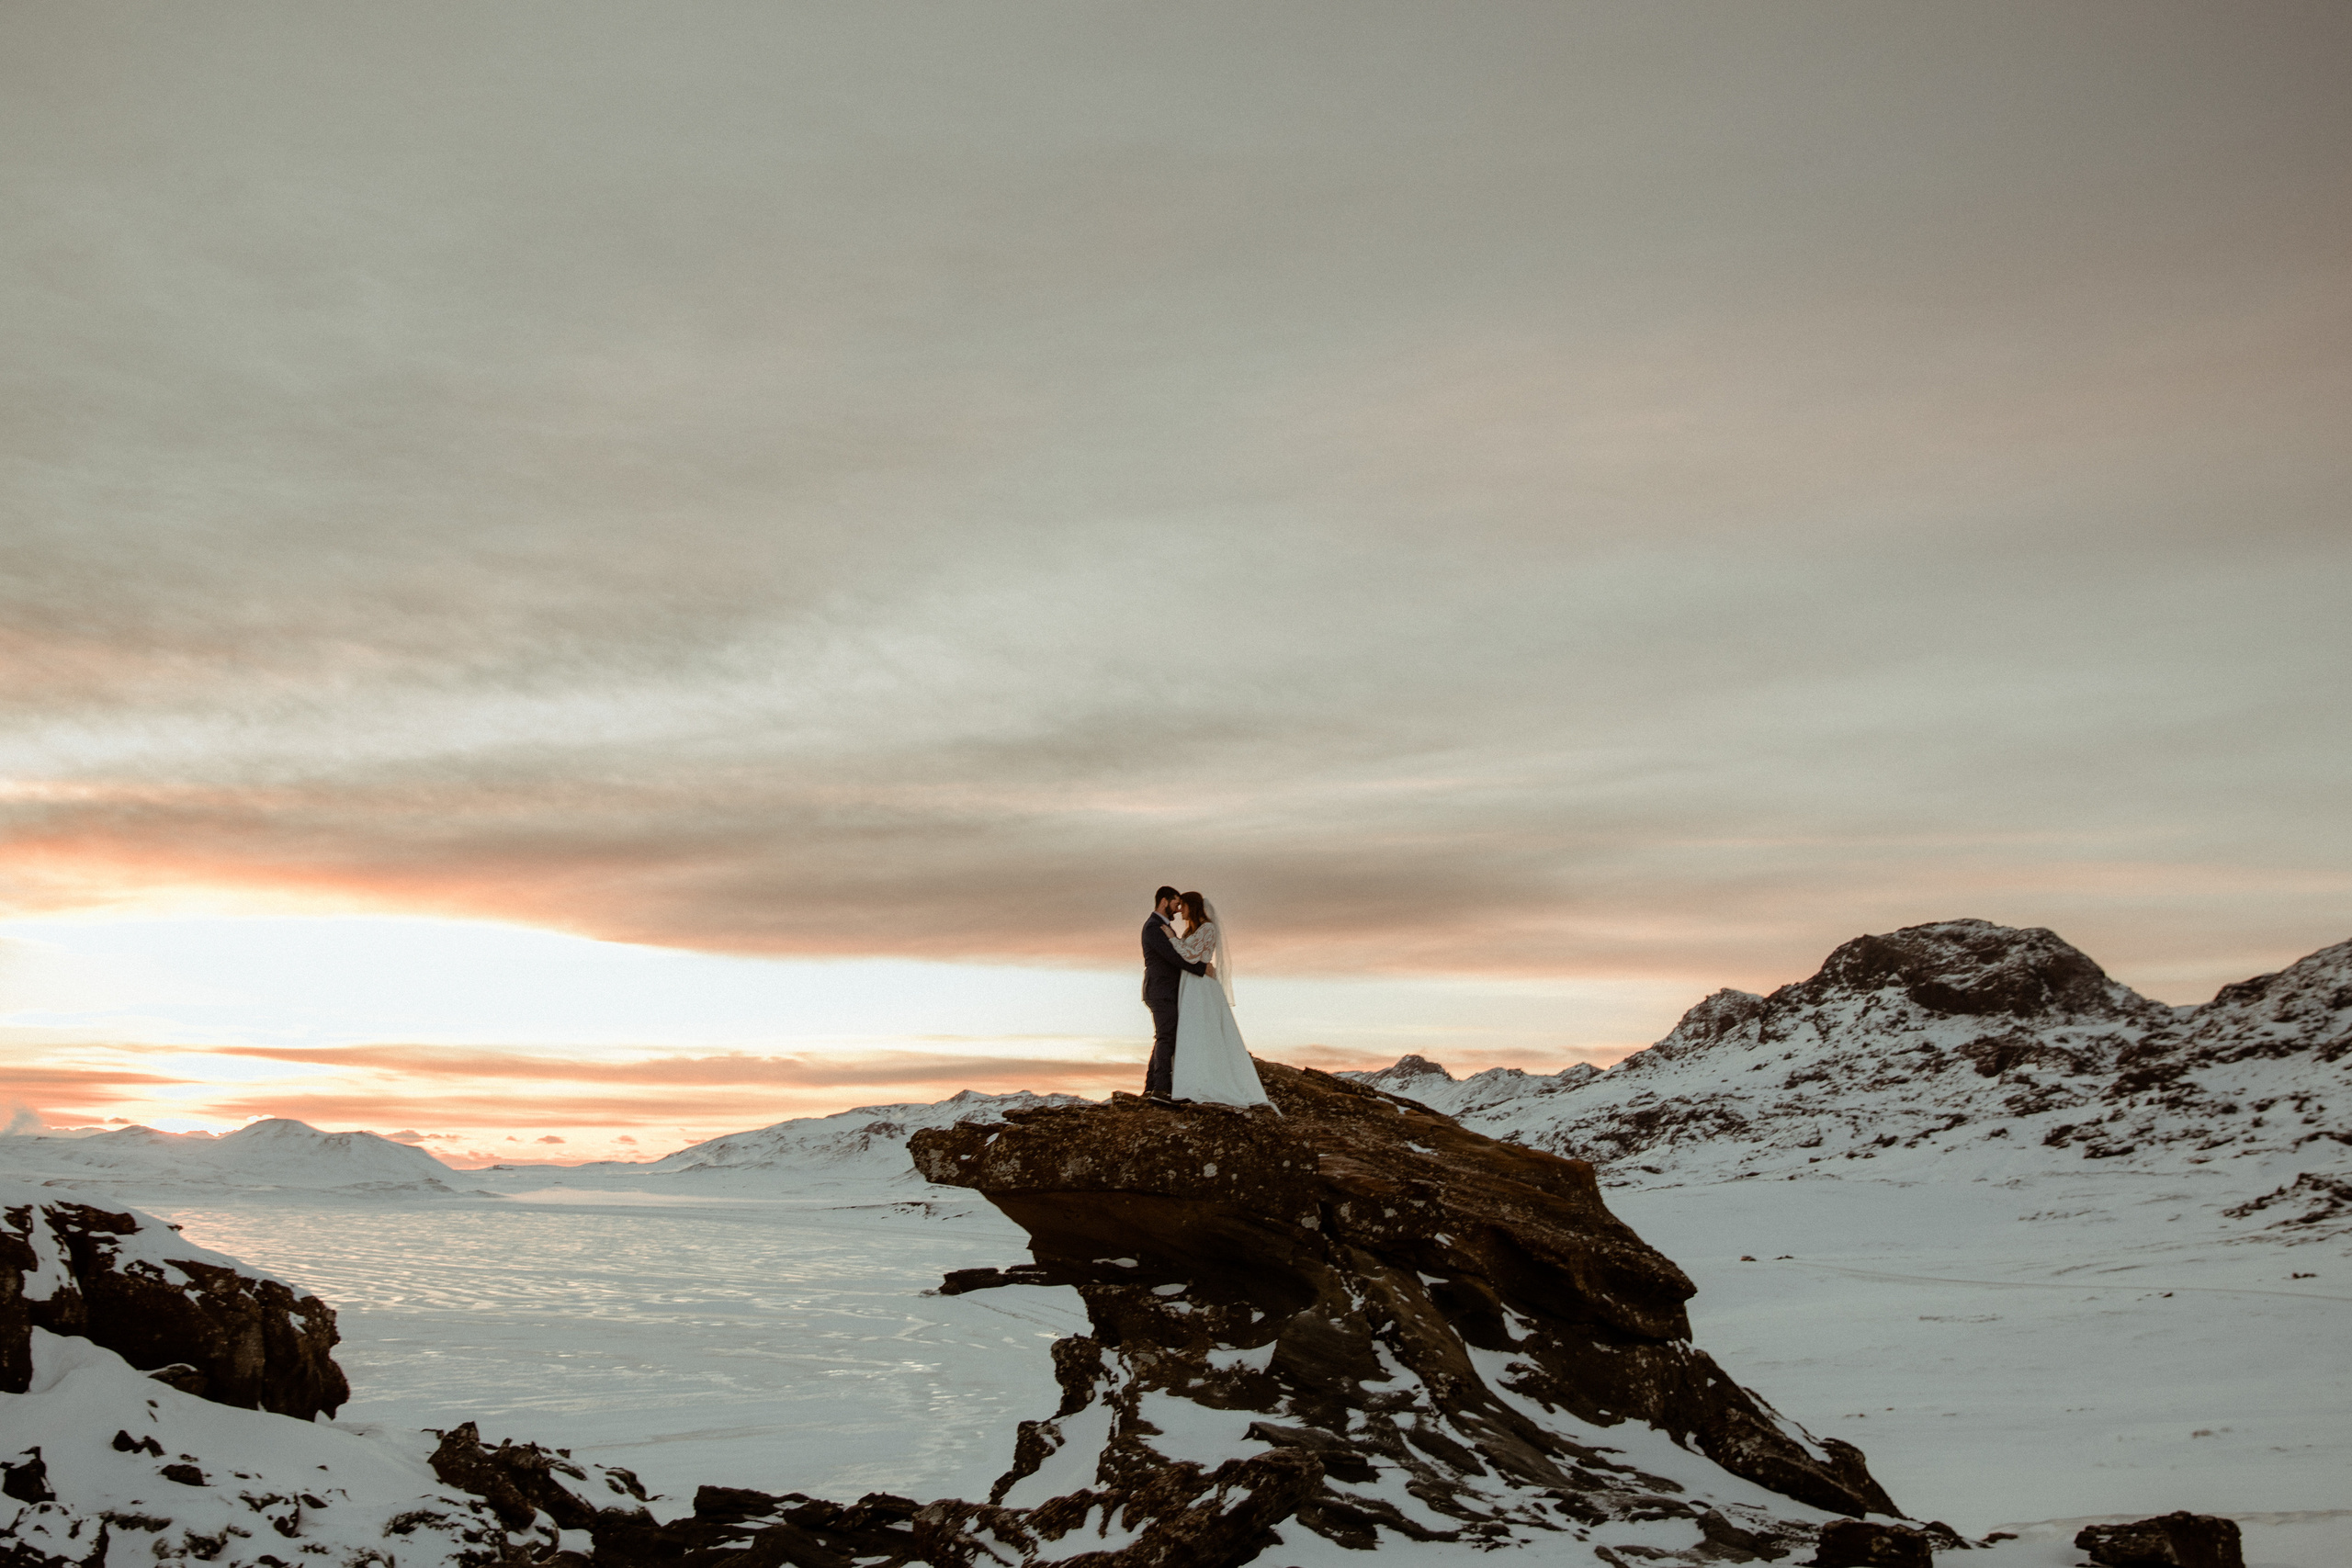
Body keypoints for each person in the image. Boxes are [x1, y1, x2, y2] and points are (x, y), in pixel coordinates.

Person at [1167, 891, 1273, 1109]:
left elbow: (1191, 954)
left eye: (1183, 906)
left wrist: (1171, 939)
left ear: (1192, 906)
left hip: (1201, 984)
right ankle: (1190, 1083)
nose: (1181, 911)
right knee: (1191, 1030)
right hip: (1190, 982)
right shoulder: (1191, 930)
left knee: (1204, 1029)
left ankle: (1209, 1083)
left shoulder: (1208, 928)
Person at [1140, 886, 1208, 1100]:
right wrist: (1200, 969)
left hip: (1163, 990)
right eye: (1176, 904)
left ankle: (1152, 1087)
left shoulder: (1162, 926)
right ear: (1163, 901)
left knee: (1164, 1035)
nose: (1178, 910)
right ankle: (1160, 1088)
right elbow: (1172, 956)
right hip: (1160, 990)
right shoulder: (1154, 927)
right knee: (1166, 1036)